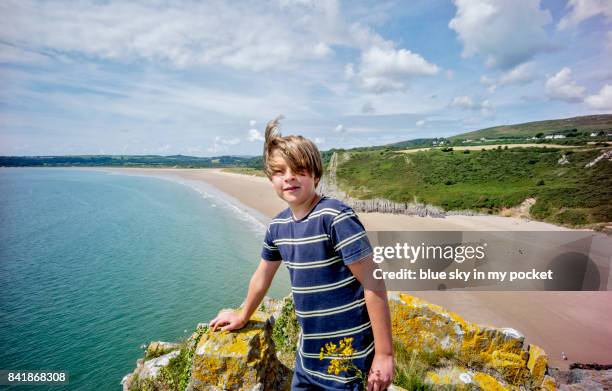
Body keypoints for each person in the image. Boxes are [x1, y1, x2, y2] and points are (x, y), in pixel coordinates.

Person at [209, 117, 394, 391]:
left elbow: (373, 282)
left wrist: (384, 354)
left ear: (316, 175)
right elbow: (263, 275)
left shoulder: (335, 218)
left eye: (299, 169)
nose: (289, 177)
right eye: (279, 171)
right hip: (308, 360)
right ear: (270, 179)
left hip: (348, 361)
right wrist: (243, 314)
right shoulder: (278, 226)